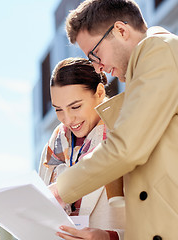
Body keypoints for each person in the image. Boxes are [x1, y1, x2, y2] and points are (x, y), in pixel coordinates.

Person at [50, 0, 178, 239]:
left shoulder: (157, 48)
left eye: (95, 54)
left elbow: (125, 148)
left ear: (121, 30)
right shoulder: (145, 73)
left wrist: (58, 192)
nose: (99, 68)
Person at [39, 57, 125, 240]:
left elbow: (157, 219)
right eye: (58, 109)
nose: (68, 119)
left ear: (100, 92)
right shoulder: (55, 143)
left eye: (75, 106)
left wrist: (109, 237)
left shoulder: (125, 132)